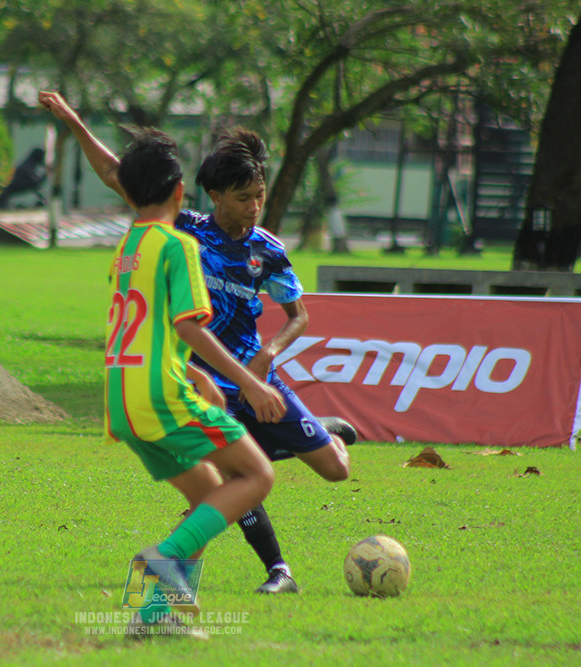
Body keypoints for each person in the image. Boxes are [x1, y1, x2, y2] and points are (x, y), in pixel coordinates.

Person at [39, 91, 355, 596]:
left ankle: (160, 610)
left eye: (260, 196)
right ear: (205, 195)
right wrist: (76, 123)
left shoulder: (245, 248)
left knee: (328, 471)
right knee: (241, 481)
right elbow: (118, 174)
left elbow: (298, 315)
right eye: (243, 197)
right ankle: (268, 572)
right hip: (207, 382)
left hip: (225, 380)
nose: (254, 207)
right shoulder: (183, 235)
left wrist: (266, 358)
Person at [93, 124, 287, 638]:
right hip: (158, 395)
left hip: (121, 398)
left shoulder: (127, 248)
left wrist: (194, 373)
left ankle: (152, 618)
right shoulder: (177, 246)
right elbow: (184, 326)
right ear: (181, 194)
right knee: (258, 476)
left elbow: (146, 329)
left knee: (208, 494)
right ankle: (165, 556)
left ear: (130, 192)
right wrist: (249, 382)